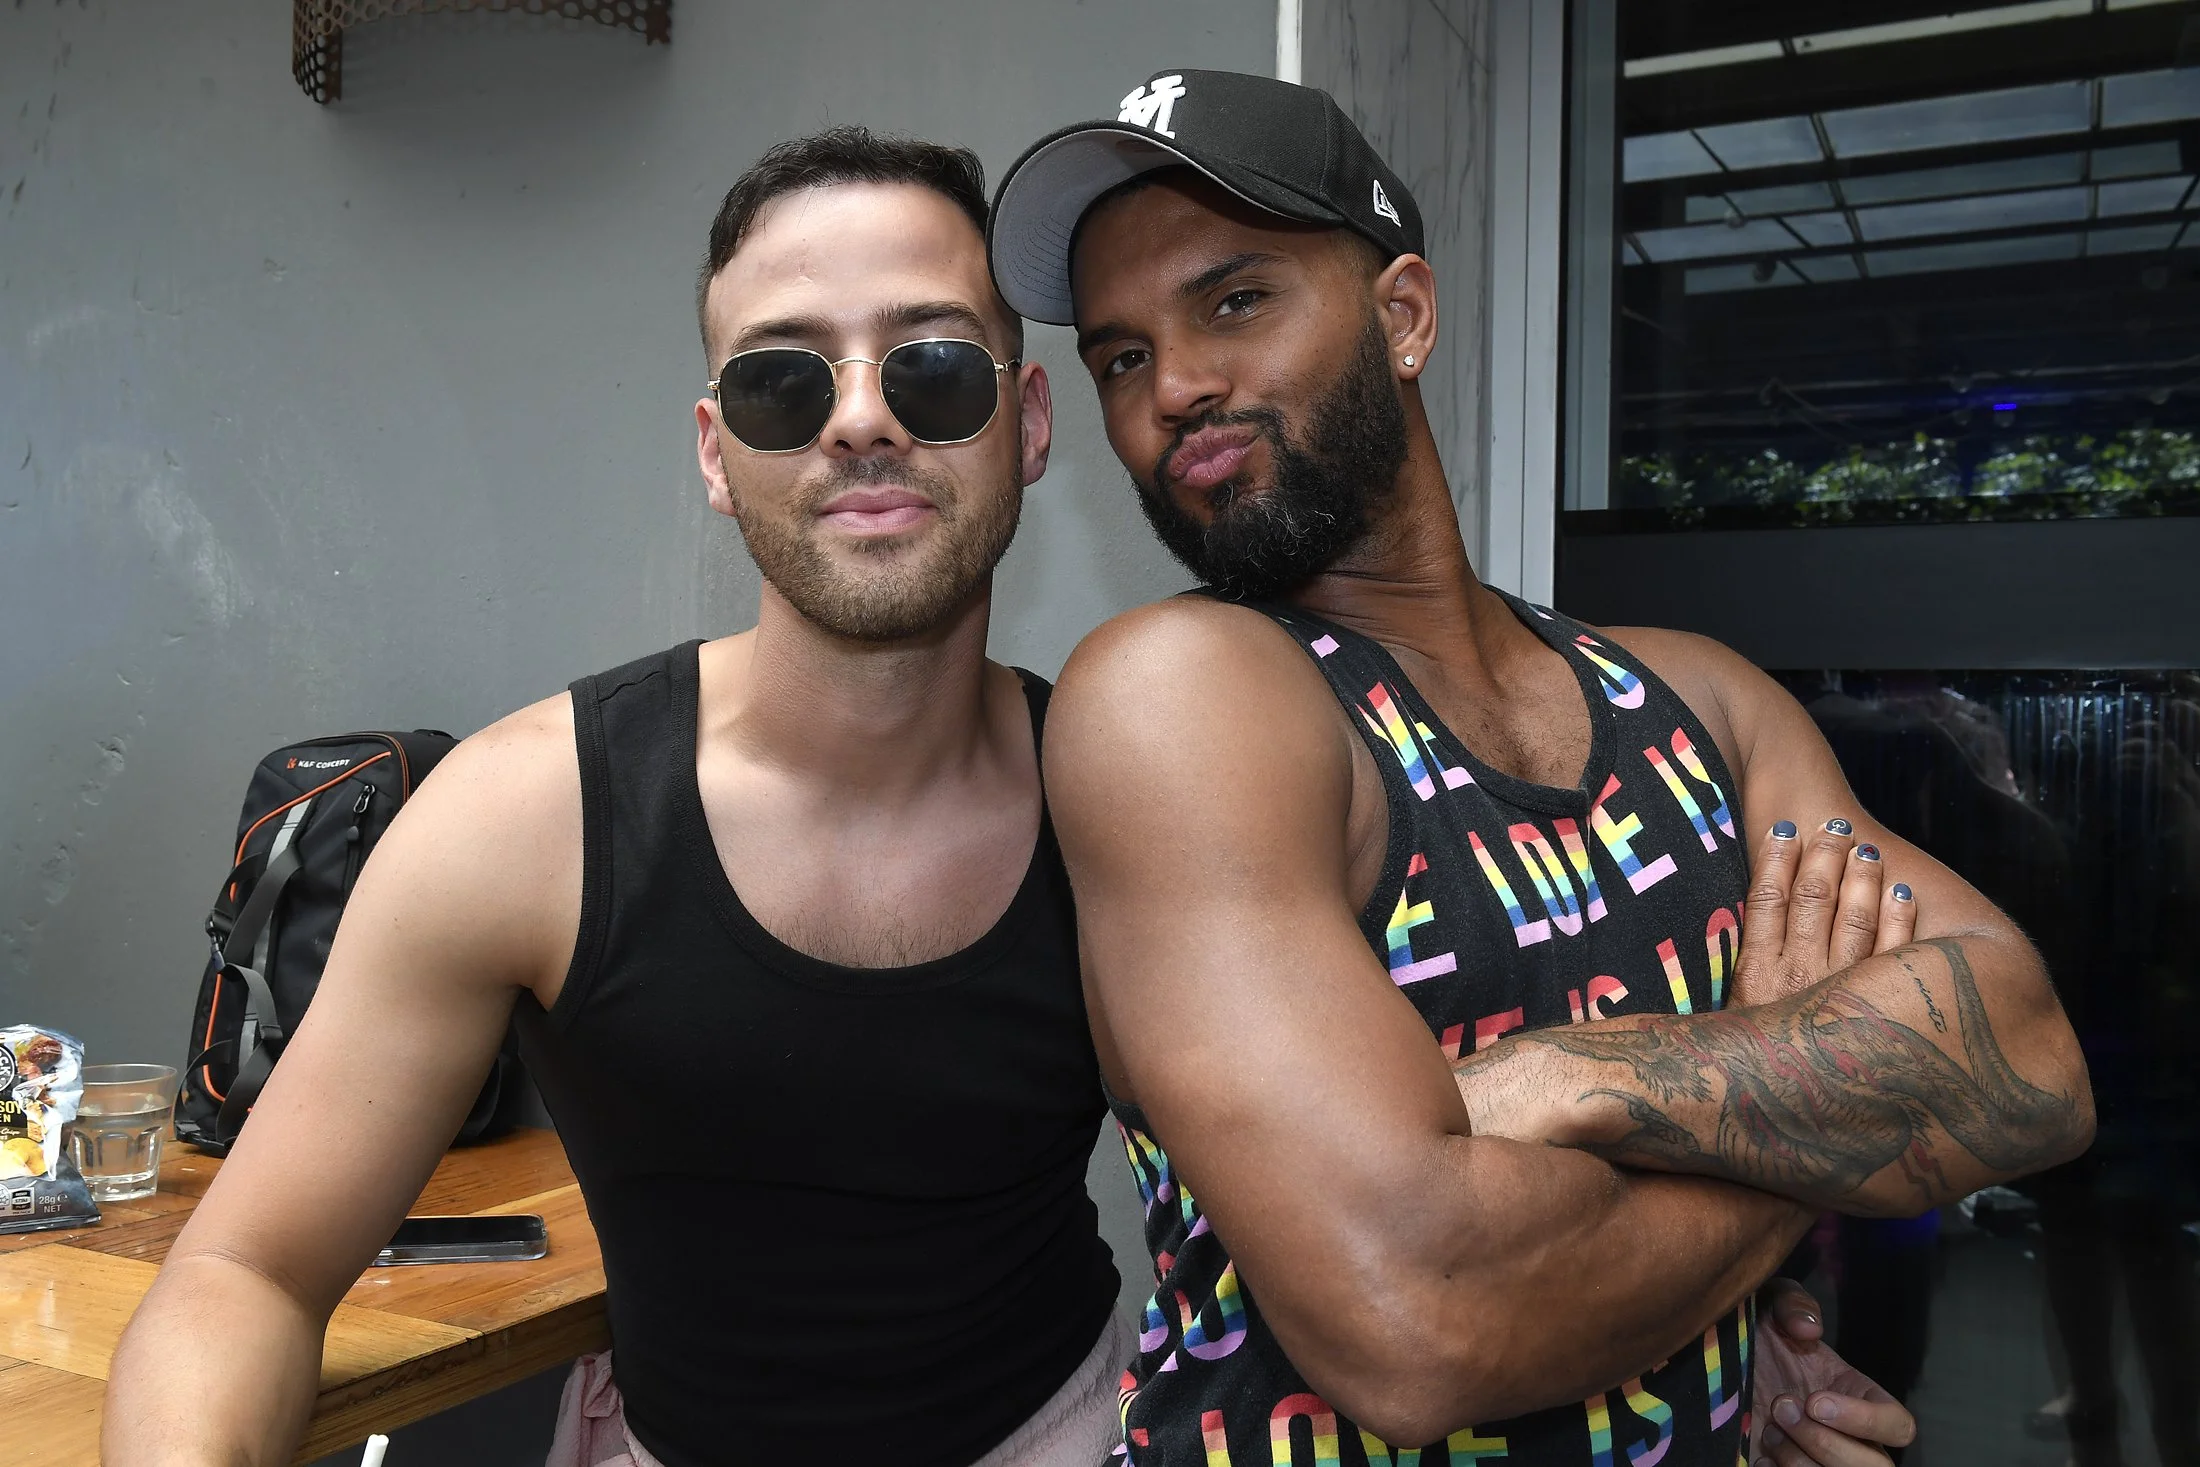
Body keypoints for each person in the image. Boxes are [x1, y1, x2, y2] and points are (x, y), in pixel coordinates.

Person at [987, 69, 2098, 1466]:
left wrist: (1580, 1075)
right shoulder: (1185, 699)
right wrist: (1794, 1118)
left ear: (1403, 315)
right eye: (1121, 356)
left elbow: (2030, 1056)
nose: (1175, 388)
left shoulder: (1697, 696)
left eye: (1234, 300)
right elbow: (1419, 1317)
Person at [103, 128, 1131, 1467]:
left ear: (1030, 422)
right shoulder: (524, 820)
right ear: (715, 451)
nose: (861, 415)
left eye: (933, 364)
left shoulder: (1128, 798)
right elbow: (245, 1275)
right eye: (782, 380)